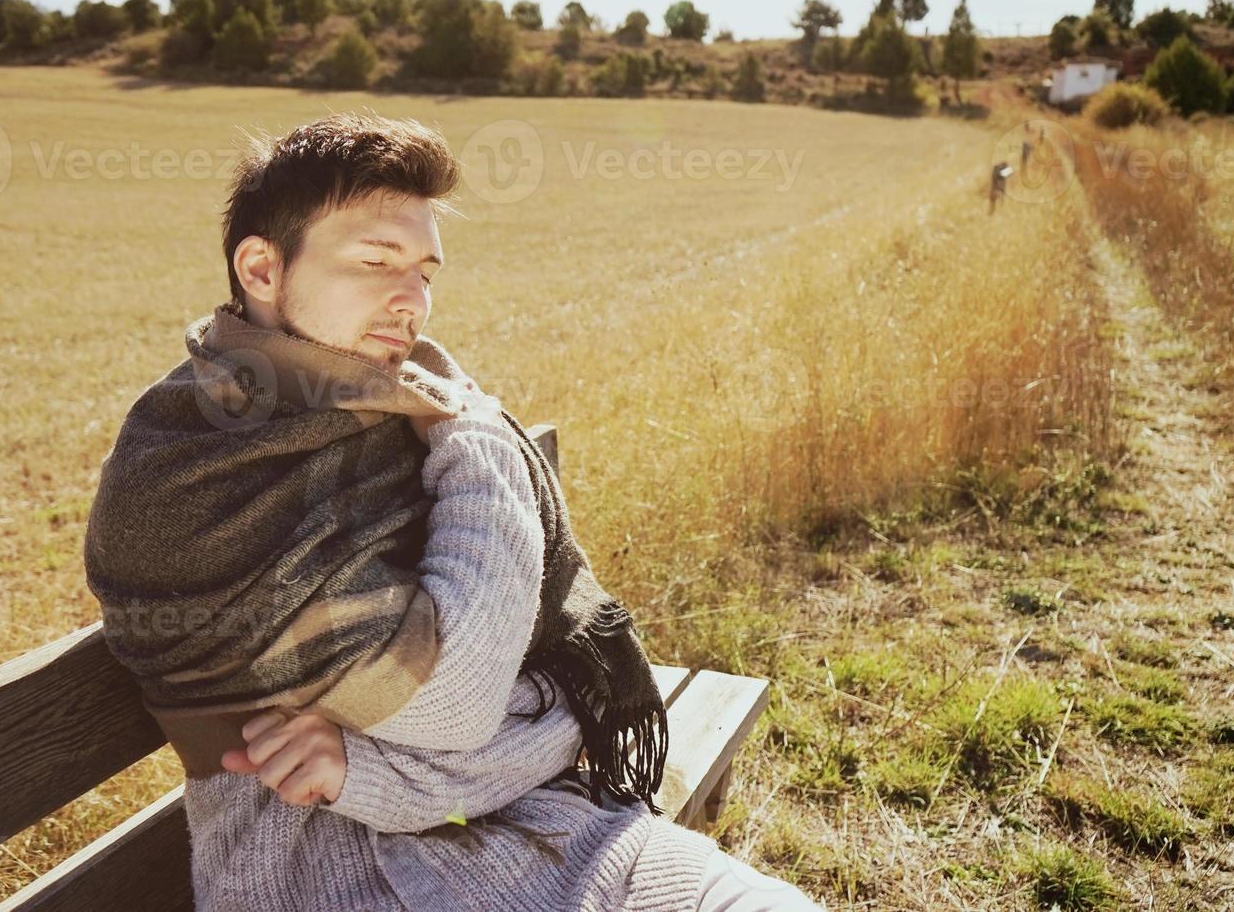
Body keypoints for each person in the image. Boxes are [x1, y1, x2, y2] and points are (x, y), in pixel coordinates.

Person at [86, 110, 824, 911]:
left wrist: (382, 764)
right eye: (377, 261)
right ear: (261, 270)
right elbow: (463, 697)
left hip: (552, 830)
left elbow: (515, 713)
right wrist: (475, 436)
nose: (414, 302)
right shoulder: (189, 481)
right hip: (327, 871)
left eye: (427, 272)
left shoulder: (384, 409)